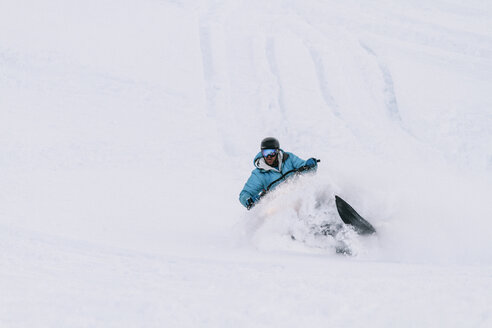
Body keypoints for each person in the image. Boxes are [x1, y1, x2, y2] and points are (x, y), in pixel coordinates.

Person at [239, 137, 318, 209]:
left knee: (315, 195)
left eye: (271, 152)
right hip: (280, 205)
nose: (269, 156)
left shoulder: (288, 158)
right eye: (265, 153)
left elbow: (306, 169)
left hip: (299, 193)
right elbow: (245, 193)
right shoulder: (259, 174)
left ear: (277, 151)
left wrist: (311, 165)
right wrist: (248, 200)